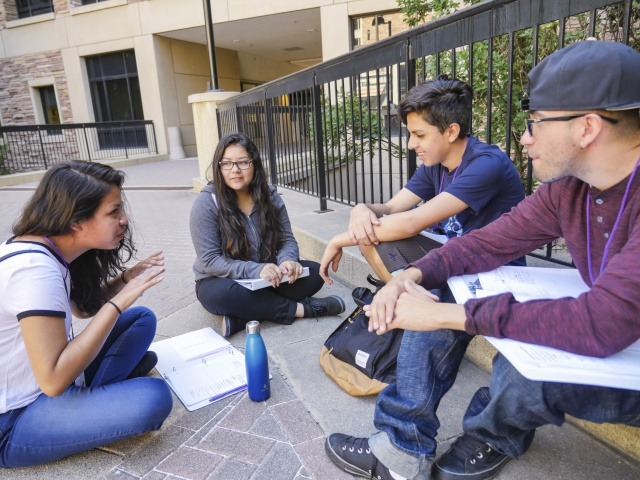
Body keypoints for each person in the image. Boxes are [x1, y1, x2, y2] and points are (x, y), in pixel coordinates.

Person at [325, 39, 640, 480]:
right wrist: (409, 276)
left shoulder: (490, 163)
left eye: (534, 123)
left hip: (621, 343)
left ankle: (493, 434)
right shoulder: (569, 189)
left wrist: (450, 316)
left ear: (586, 127)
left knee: (522, 370)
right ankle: (399, 445)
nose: (524, 137)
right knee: (435, 292)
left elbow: (602, 324)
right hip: (616, 330)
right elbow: (486, 242)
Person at [0, 160, 173, 468]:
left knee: (141, 319)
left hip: (48, 384)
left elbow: (81, 308)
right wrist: (119, 301)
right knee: (154, 397)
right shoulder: (34, 272)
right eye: (113, 212)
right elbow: (53, 380)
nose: (124, 221)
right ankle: (104, 396)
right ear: (75, 221)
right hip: (15, 418)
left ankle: (97, 398)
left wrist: (125, 280)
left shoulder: (50, 250)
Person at [319, 75, 526, 287]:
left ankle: (419, 307)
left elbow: (411, 223)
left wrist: (339, 240)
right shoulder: (436, 163)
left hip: (494, 268)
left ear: (451, 131)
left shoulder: (487, 164)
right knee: (370, 240)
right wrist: (361, 209)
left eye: (419, 135)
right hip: (455, 253)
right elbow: (391, 207)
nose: (411, 144)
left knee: (373, 237)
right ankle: (410, 301)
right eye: (410, 134)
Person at [190, 132, 345, 338]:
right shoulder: (207, 203)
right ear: (219, 167)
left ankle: (241, 317)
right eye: (227, 163)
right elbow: (210, 261)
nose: (235, 170)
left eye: (243, 162)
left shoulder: (269, 196)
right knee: (224, 296)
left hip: (269, 277)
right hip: (221, 280)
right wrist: (257, 270)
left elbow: (287, 238)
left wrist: (287, 260)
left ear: (254, 163)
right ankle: (303, 310)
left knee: (315, 273)